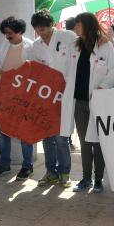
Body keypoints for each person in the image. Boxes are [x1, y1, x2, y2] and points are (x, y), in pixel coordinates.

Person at [68, 12, 114, 194]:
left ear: (87, 25)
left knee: (98, 141)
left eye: (78, 25)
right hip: (80, 102)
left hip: (98, 101)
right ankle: (86, 178)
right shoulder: (76, 46)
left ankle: (98, 179)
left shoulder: (105, 46)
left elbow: (113, 70)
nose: (75, 28)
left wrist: (102, 88)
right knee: (84, 141)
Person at [27, 10, 76, 188]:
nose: (43, 32)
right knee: (46, 135)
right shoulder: (35, 46)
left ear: (52, 24)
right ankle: (51, 172)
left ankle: (64, 172)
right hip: (45, 95)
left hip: (66, 93)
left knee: (61, 136)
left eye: (45, 28)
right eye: (39, 30)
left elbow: (83, 52)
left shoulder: (68, 37)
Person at [0, 16, 35, 181]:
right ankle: (4, 164)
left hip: (23, 97)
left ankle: (27, 166)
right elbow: (0, 65)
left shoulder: (30, 46)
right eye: (5, 33)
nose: (7, 36)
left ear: (20, 31)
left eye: (10, 33)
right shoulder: (5, 45)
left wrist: (1, 72)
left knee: (24, 133)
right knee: (3, 132)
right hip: (4, 95)